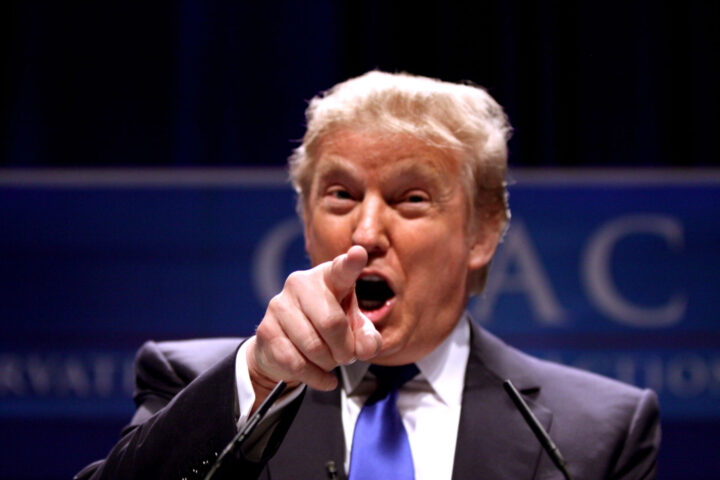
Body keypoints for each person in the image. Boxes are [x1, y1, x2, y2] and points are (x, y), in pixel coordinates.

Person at [75, 71, 660, 480]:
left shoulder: (597, 432)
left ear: (482, 232)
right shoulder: (198, 383)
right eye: (340, 195)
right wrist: (258, 376)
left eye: (410, 199)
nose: (366, 232)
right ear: (306, 222)